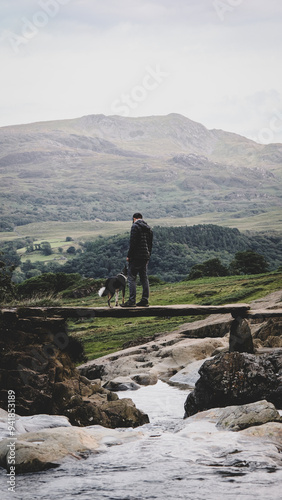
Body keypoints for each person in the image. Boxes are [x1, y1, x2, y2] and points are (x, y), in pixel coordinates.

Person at [122, 212, 153, 307]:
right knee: (144, 278)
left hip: (136, 256)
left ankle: (132, 301)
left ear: (134, 218)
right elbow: (150, 243)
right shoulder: (148, 227)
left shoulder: (135, 226)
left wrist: (129, 255)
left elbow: (133, 242)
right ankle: (145, 300)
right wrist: (148, 255)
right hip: (145, 256)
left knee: (131, 277)